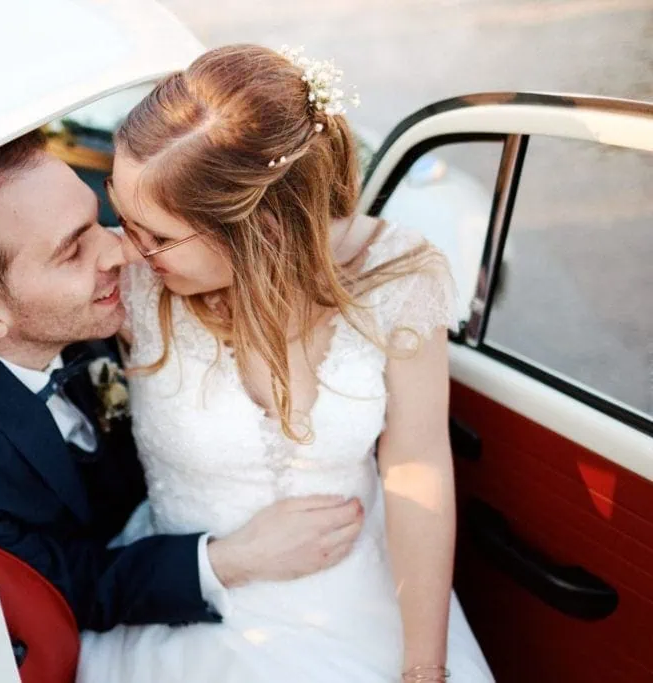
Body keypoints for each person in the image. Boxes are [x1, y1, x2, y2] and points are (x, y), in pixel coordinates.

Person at [73, 45, 494, 682]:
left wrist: (424, 665)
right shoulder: (134, 279)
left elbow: (416, 463)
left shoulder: (401, 277)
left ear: (259, 231)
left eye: (156, 235)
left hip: (367, 602)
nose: (128, 246)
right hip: (186, 612)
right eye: (120, 210)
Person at [0, 129, 366, 633]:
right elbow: (58, 587)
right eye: (72, 251)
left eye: (99, 219)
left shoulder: (87, 304)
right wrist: (234, 560)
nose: (124, 253)